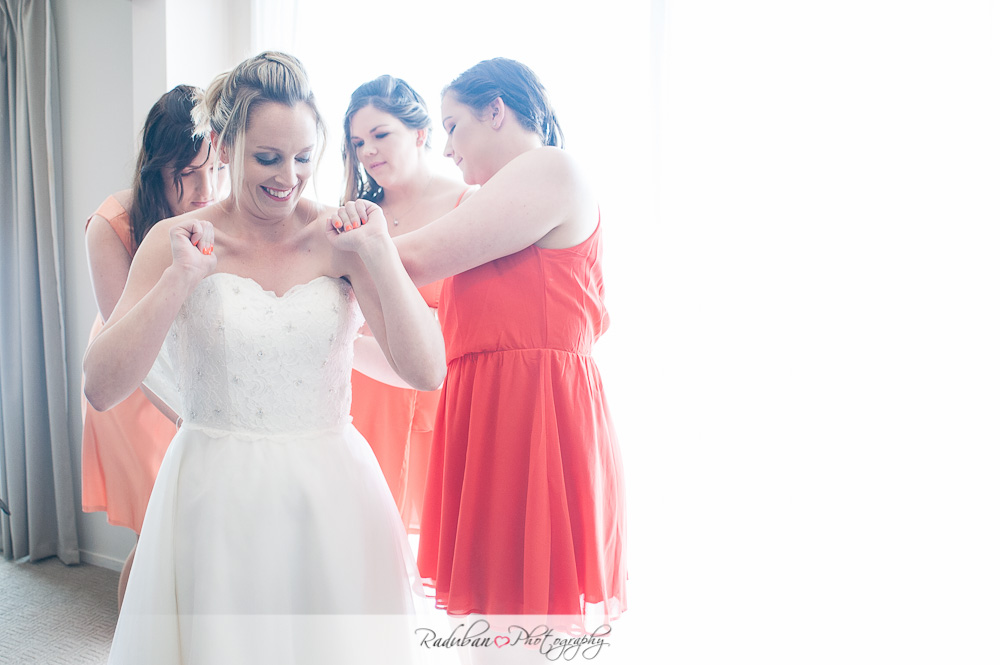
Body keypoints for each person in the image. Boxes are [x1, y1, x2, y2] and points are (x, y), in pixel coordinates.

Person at [83, 52, 445, 664]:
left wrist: (381, 251)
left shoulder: (342, 239)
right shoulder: (174, 241)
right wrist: (178, 280)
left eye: (304, 157)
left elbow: (427, 370)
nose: (289, 177)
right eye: (268, 158)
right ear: (225, 148)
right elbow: (101, 385)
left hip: (328, 495)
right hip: (215, 495)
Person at [336, 57, 627, 640]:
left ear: (496, 111)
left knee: (526, 627)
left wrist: (318, 257)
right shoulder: (494, 204)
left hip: (535, 416)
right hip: (489, 413)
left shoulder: (550, 169)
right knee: (492, 628)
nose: (448, 149)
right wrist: (332, 342)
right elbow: (434, 352)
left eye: (453, 126)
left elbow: (416, 258)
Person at [81, 84, 226, 609]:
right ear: (156, 169)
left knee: (199, 537)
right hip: (134, 385)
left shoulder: (222, 214)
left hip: (194, 376)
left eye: (216, 169)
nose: (206, 189)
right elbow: (126, 337)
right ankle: (133, 641)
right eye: (188, 173)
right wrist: (192, 414)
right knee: (158, 532)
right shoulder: (113, 224)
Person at [342, 74, 473, 533]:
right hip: (363, 398)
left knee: (436, 541)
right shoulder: (355, 213)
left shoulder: (467, 205)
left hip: (434, 399)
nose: (368, 151)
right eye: (358, 142)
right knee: (364, 538)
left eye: (380, 135)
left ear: (419, 133)